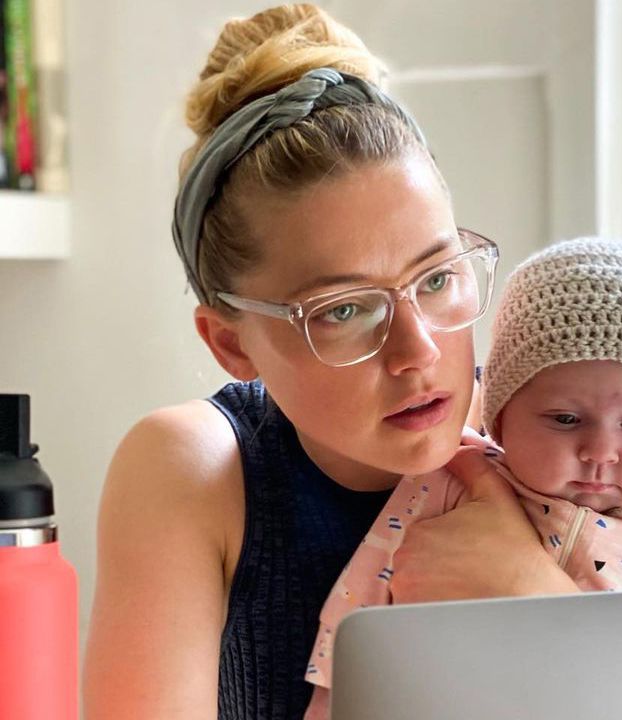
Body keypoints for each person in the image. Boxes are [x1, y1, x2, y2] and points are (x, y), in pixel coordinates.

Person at [82, 6, 579, 719]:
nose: (420, 352)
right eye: (344, 311)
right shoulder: (193, 472)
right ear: (230, 342)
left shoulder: (561, 428)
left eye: (437, 279)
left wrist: (540, 597)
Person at [303, 237, 622, 719]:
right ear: (501, 417)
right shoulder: (454, 479)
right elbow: (358, 611)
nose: (600, 452)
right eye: (566, 419)